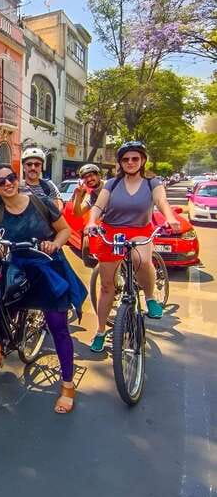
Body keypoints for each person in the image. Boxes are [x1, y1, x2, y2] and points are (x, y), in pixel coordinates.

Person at [0, 163, 86, 413]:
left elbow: (64, 230)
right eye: (0, 181)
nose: (7, 183)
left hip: (47, 269)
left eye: (10, 178)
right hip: (16, 268)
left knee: (58, 326)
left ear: (16, 179)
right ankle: (4, 344)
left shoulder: (40, 203)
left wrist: (55, 244)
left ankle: (68, 385)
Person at [84, 141, 181, 352]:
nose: (130, 162)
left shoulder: (152, 183)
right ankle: (100, 331)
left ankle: (150, 298)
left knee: (141, 259)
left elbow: (162, 202)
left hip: (139, 230)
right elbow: (99, 206)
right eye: (126, 159)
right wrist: (92, 221)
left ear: (143, 160)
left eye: (135, 158)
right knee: (106, 286)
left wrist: (170, 218)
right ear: (120, 162)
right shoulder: (112, 184)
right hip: (112, 232)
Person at [72, 163, 104, 267]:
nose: (89, 179)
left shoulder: (110, 186)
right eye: (85, 177)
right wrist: (77, 195)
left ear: (99, 175)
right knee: (87, 241)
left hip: (122, 224)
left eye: (91, 175)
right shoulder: (91, 195)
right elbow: (78, 213)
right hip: (106, 228)